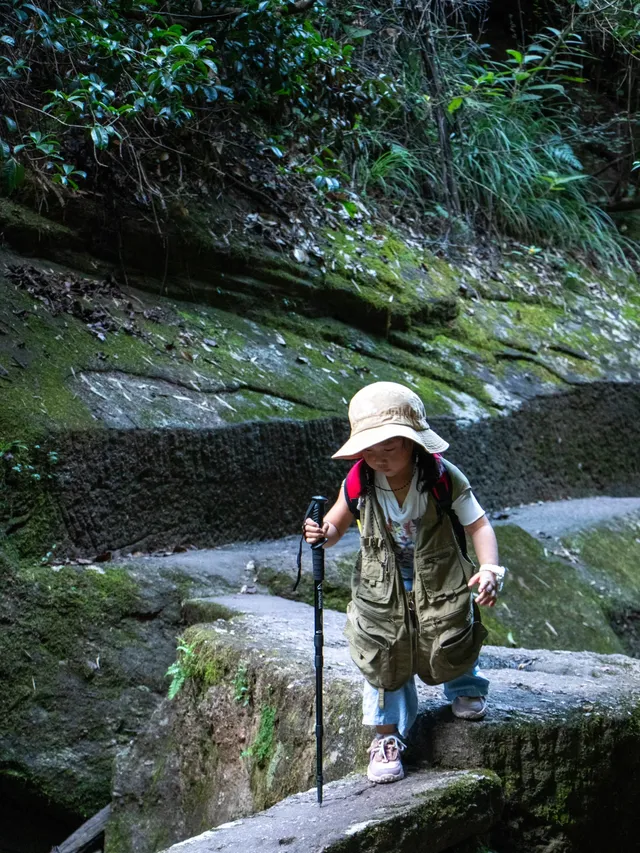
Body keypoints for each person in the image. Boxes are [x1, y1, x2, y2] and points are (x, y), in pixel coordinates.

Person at [303, 381, 506, 784]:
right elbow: (338, 522)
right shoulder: (360, 480)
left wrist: (489, 569)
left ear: (413, 442)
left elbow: (478, 524)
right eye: (370, 448)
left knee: (451, 627)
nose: (378, 457)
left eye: (389, 447)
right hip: (383, 581)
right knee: (383, 649)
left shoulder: (442, 477)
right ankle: (386, 736)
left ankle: (465, 686)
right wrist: (322, 533)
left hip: (442, 573)